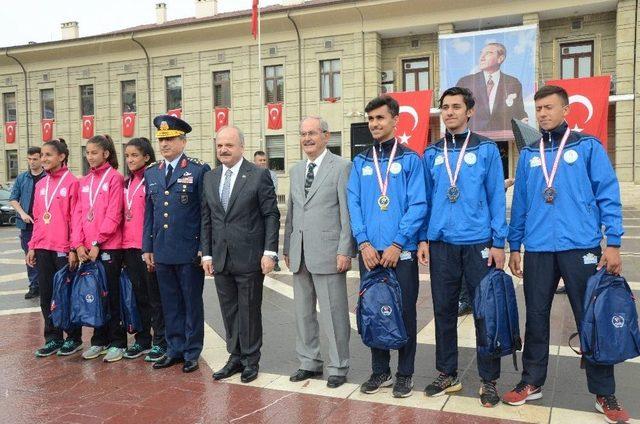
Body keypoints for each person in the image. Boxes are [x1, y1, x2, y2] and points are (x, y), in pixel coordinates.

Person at [504, 85, 630, 424]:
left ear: (566, 110)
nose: (543, 113)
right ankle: (532, 381)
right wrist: (515, 246)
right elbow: (521, 206)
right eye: (539, 108)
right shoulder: (530, 154)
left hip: (581, 247)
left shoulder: (587, 147)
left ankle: (604, 391)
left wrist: (613, 242)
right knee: (536, 317)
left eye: (549, 107)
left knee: (592, 319)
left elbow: (607, 193)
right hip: (540, 249)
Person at [417, 87, 508, 407]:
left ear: (470, 112)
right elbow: (424, 200)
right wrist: (423, 238)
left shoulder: (486, 149)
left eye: (456, 107)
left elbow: (497, 196)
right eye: (445, 107)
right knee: (443, 311)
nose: (450, 112)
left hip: (478, 243)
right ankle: (447, 373)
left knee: (485, 313)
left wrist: (499, 242)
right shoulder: (431, 153)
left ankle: (489, 379)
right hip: (441, 245)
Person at [347, 95, 427, 398]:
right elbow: (354, 203)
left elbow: (418, 204)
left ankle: (404, 374)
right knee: (373, 310)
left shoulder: (410, 159)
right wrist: (363, 242)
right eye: (370, 119)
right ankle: (380, 370)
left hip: (399, 253)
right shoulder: (361, 161)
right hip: (369, 253)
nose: (375, 124)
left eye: (380, 118)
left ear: (395, 120)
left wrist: (398, 243)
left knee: (404, 312)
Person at [202, 126, 280, 384]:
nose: (223, 150)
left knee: (249, 310)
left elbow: (271, 215)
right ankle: (234, 357)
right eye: (220, 146)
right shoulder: (210, 178)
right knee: (229, 311)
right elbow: (207, 219)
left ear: (241, 147)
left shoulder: (258, 176)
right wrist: (207, 255)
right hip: (221, 258)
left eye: (229, 145)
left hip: (249, 257)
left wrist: (270, 252)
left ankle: (250, 360)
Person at [283, 116, 354, 389]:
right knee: (303, 314)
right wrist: (288, 246)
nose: (307, 139)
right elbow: (292, 211)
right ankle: (309, 362)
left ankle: (338, 366)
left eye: (312, 133)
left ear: (326, 135)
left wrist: (345, 249)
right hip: (299, 253)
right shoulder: (297, 170)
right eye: (303, 134)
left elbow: (346, 213)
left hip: (329, 252)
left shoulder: (342, 167)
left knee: (334, 313)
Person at [143, 115, 210, 373]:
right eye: (161, 140)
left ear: (183, 141)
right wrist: (147, 247)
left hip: (189, 249)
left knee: (191, 302)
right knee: (169, 302)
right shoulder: (152, 172)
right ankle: (174, 349)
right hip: (162, 249)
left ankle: (192, 351)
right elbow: (149, 213)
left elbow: (205, 212)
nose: (164, 144)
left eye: (170, 139)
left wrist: (204, 247)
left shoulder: (197, 170)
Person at [72, 135, 126, 363]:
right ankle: (98, 340)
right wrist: (78, 244)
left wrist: (97, 242)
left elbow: (114, 214)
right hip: (87, 249)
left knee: (112, 295)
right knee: (95, 296)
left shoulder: (115, 178)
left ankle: (118, 342)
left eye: (94, 152)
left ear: (106, 154)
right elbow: (77, 215)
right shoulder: (83, 182)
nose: (90, 156)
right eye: (87, 152)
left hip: (109, 247)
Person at [27, 139, 83, 357]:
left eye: (48, 155)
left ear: (61, 157)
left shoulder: (72, 182)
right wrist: (32, 246)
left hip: (63, 248)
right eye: (42, 155)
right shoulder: (41, 185)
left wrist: (72, 248)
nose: (43, 159)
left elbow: (75, 218)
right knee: (46, 295)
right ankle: (52, 337)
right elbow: (39, 218)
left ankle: (73, 337)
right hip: (42, 247)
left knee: (66, 293)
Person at [121, 138, 166, 362]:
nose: (130, 160)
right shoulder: (127, 183)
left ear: (147, 157)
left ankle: (160, 340)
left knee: (154, 297)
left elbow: (156, 216)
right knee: (138, 295)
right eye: (127, 156)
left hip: (147, 247)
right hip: (128, 247)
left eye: (135, 155)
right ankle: (142, 339)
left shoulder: (152, 180)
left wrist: (152, 246)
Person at [456, 43, 527, 133]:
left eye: (488, 53)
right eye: (481, 53)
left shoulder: (513, 83)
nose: (482, 57)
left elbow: (519, 112)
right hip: (473, 138)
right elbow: (457, 110)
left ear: (500, 59)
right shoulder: (465, 82)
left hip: (504, 139)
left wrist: (524, 120)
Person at [9, 146, 46, 299]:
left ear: (41, 159)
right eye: (29, 159)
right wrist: (22, 213)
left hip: (44, 224)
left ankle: (45, 285)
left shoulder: (47, 177)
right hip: (26, 225)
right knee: (29, 256)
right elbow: (13, 199)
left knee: (44, 256)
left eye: (35, 159)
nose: (32, 162)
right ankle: (34, 286)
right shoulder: (22, 178)